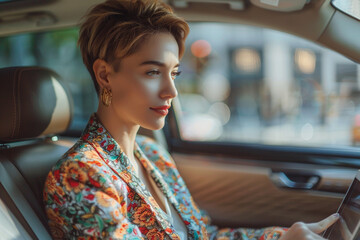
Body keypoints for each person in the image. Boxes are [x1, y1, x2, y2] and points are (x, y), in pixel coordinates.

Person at [43, 0, 339, 239]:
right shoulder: (79, 175)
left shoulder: (154, 156)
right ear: (105, 74)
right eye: (152, 72)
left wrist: (282, 238)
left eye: (174, 73)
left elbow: (204, 235)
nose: (170, 90)